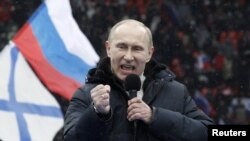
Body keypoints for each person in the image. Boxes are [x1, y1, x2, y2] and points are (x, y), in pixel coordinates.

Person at [63, 19, 214, 141]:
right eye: (122, 47)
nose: (128, 57)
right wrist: (96, 113)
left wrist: (155, 116)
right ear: (109, 49)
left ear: (149, 53)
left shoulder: (176, 92)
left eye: (137, 49)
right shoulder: (86, 94)